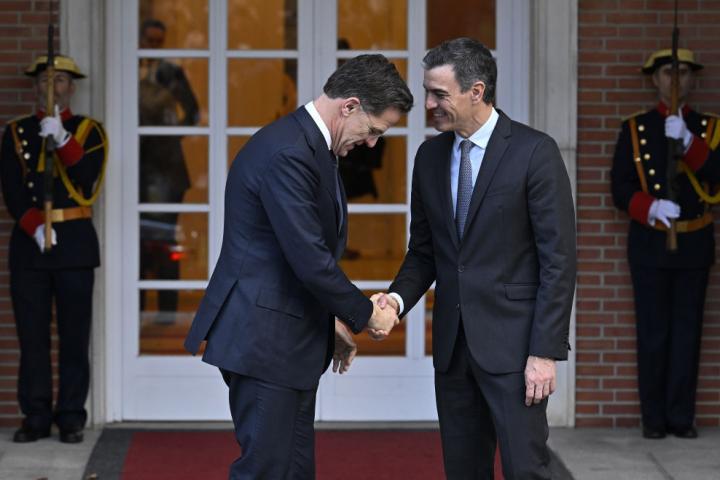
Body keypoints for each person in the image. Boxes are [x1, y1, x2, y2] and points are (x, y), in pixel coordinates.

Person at [184, 54, 412, 479]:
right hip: (264, 342)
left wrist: (328, 324)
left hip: (286, 339)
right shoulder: (289, 152)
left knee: (293, 471)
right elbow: (310, 259)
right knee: (267, 471)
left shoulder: (311, 146)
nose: (372, 144)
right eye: (373, 130)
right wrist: (366, 314)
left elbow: (291, 258)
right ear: (350, 106)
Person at [374, 38, 576, 479]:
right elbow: (424, 252)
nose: (429, 104)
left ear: (477, 91)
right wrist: (395, 301)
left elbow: (558, 261)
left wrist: (545, 352)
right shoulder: (429, 157)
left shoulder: (534, 152)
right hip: (453, 351)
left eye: (439, 94)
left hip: (516, 351)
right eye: (428, 92)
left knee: (527, 470)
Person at [611, 48, 720, 440]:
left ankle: (681, 418)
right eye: (669, 73)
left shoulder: (707, 128)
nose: (676, 79)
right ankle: (654, 419)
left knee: (687, 335)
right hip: (650, 244)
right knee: (653, 334)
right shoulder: (636, 127)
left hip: (694, 243)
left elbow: (717, 174)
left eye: (684, 72)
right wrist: (651, 206)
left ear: (693, 79)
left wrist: (689, 142)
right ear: (655, 79)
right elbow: (620, 187)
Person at [0, 55, 107, 444]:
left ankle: (71, 416)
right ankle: (36, 415)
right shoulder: (17, 131)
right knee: (32, 337)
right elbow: (11, 188)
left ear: (71, 88)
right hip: (31, 247)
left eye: (60, 79)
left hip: (74, 244)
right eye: (45, 79)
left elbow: (86, 178)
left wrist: (62, 139)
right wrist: (35, 225)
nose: (52, 86)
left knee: (74, 336)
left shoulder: (88, 131)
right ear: (35, 87)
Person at [138, 19, 200, 323]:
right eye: (149, 40)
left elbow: (193, 112)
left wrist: (170, 136)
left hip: (166, 168)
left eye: (158, 41)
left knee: (163, 241)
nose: (153, 46)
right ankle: (136, 312)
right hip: (136, 166)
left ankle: (166, 313)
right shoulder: (127, 69)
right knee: (135, 242)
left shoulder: (170, 72)